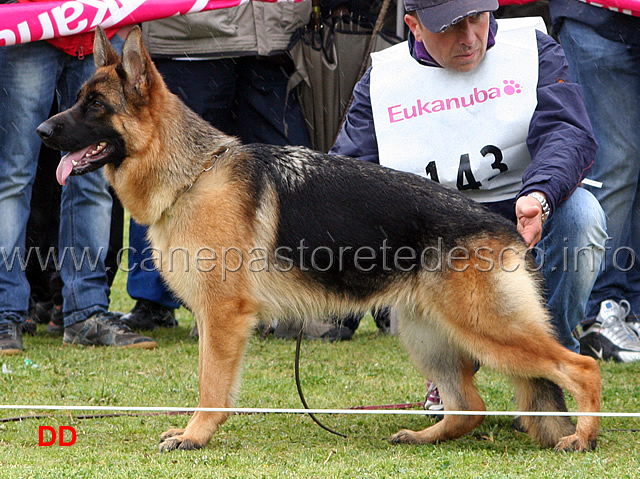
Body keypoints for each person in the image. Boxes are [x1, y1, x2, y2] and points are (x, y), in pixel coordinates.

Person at [329, 0, 613, 408]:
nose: (469, 38)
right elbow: (349, 173)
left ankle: (550, 362)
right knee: (403, 246)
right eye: (450, 26)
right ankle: (447, 377)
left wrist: (539, 195)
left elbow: (568, 133)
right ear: (413, 26)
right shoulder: (384, 79)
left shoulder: (533, 49)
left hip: (522, 215)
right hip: (434, 238)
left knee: (583, 215)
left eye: (477, 19)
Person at [122, 2, 335, 337]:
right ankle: (154, 300)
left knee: (289, 176)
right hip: (191, 36)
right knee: (172, 174)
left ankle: (296, 300)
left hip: (272, 39)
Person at [0, 20, 157, 354]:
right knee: (13, 177)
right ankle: (4, 314)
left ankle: (86, 313)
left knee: (94, 181)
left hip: (99, 21)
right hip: (33, 22)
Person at [548, 0, 640, 362]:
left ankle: (631, 306)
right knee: (614, 162)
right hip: (594, 12)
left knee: (627, 164)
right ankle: (600, 311)